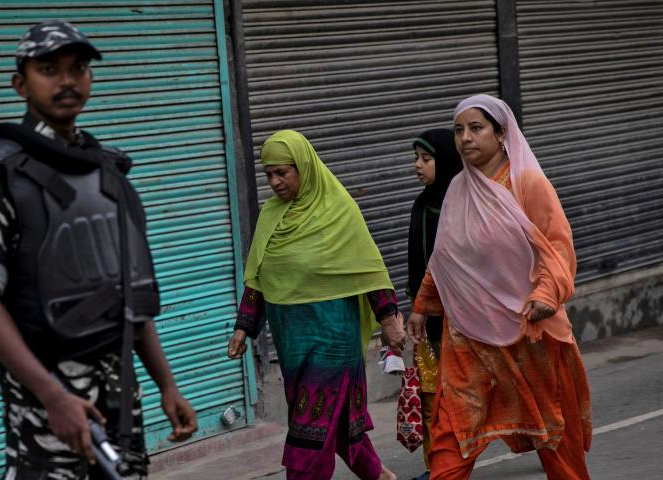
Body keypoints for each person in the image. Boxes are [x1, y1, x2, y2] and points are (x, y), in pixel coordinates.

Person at [0, 20, 197, 480]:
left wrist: (167, 384)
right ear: (20, 83)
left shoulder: (108, 172)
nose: (67, 81)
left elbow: (127, 295)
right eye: (49, 69)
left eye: (79, 68)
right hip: (48, 394)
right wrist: (51, 396)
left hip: (119, 387)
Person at [407, 94, 592, 480]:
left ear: (501, 133)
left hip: (527, 332)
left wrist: (545, 294)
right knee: (451, 435)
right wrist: (423, 305)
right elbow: (446, 258)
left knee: (555, 435)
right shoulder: (458, 189)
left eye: (476, 128)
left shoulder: (528, 183)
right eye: (460, 130)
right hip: (468, 337)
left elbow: (556, 246)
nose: (465, 138)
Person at [226, 130, 404, 480]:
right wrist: (243, 327)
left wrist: (388, 319)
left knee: (310, 429)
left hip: (333, 338)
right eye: (269, 174)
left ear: (304, 167)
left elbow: (369, 270)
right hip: (292, 339)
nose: (275, 182)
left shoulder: (338, 210)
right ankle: (378, 475)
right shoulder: (271, 217)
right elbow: (258, 277)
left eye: (283, 172)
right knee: (329, 421)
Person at [405, 129, 463, 480]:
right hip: (426, 320)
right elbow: (418, 262)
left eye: (426, 159)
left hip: (462, 320)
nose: (418, 165)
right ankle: (437, 467)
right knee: (431, 397)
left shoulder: (463, 206)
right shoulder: (422, 203)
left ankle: (539, 436)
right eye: (417, 158)